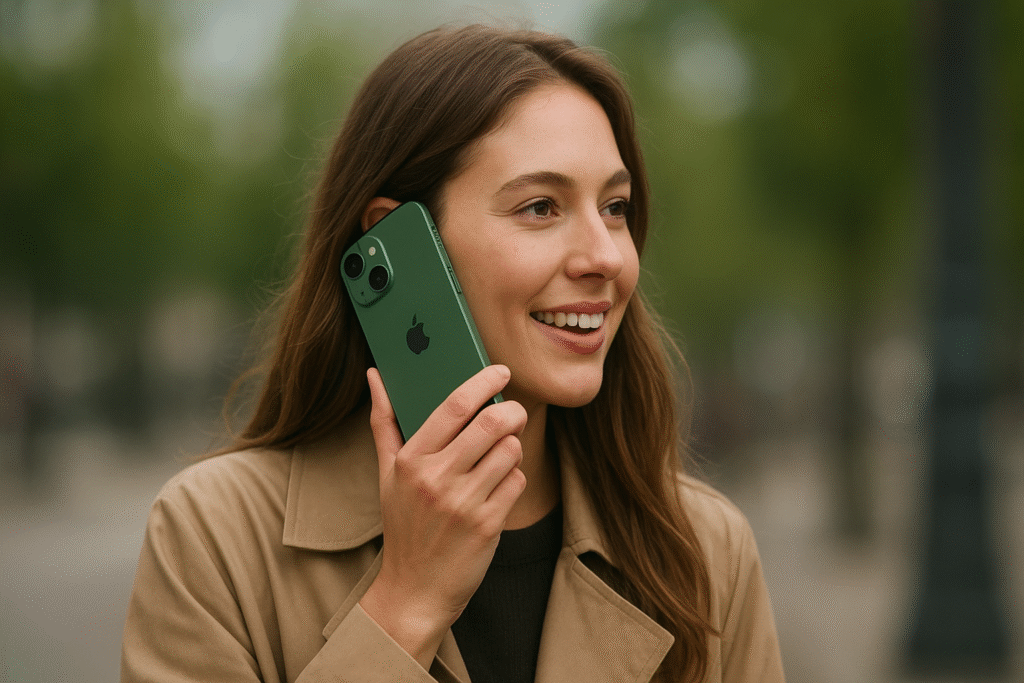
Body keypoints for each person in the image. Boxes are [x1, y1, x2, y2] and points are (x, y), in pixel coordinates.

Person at [121, 24, 785, 683]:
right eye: (540, 207)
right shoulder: (213, 537)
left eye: (615, 207)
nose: (606, 256)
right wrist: (404, 605)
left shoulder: (704, 548)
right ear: (397, 240)